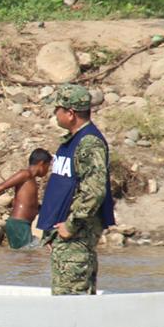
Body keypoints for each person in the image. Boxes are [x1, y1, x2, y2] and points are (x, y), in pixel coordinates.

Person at [36, 84, 116, 295]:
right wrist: (51, 233)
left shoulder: (89, 143)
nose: (55, 114)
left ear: (70, 114)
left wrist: (70, 226)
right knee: (65, 296)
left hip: (77, 237)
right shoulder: (73, 141)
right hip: (66, 237)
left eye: (57, 109)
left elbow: (95, 191)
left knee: (71, 300)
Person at [0, 148, 53, 249]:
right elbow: (2, 186)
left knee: (24, 258)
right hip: (18, 225)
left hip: (22, 225)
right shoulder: (25, 174)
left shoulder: (31, 180)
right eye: (48, 166)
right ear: (41, 163)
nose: (48, 170)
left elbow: (30, 205)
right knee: (27, 257)